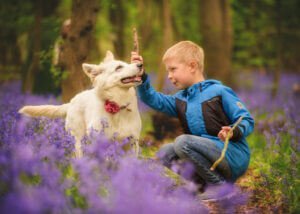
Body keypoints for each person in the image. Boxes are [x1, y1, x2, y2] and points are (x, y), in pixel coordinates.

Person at [131, 41, 254, 201]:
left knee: (183, 142)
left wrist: (233, 130)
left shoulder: (219, 91)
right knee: (165, 153)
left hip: (231, 154)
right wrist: (140, 74)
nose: (169, 76)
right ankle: (202, 186)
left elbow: (246, 119)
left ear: (192, 66)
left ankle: (219, 186)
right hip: (208, 156)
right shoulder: (181, 99)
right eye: (168, 71)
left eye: (173, 69)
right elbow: (154, 99)